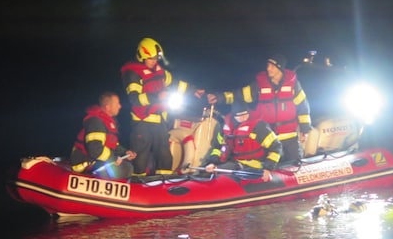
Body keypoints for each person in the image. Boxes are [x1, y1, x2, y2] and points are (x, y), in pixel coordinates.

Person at [121, 37, 205, 176]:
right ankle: (137, 182)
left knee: (164, 154)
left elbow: (176, 84)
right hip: (142, 122)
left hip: (160, 120)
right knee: (141, 156)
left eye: (156, 58)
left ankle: (163, 183)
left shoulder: (159, 70)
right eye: (151, 58)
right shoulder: (132, 73)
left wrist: (192, 90)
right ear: (141, 57)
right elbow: (134, 99)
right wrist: (157, 97)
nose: (154, 61)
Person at [207, 53, 311, 163]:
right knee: (271, 165)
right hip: (268, 136)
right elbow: (239, 95)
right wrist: (219, 97)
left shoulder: (293, 84)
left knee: (296, 164)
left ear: (279, 67)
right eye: (267, 65)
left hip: (290, 137)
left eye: (272, 66)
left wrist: (305, 128)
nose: (268, 68)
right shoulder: (260, 84)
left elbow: (303, 107)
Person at [201, 104, 282, 182]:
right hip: (235, 162)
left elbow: (276, 147)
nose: (243, 118)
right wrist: (213, 162)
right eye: (239, 116)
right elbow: (218, 147)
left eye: (245, 114)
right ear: (233, 116)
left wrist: (268, 168)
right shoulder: (226, 128)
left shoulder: (259, 127)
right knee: (208, 171)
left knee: (225, 169)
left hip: (255, 165)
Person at [70, 91, 136, 179]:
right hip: (84, 163)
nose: (120, 106)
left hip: (95, 160)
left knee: (127, 165)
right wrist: (114, 158)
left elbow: (112, 145)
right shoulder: (96, 122)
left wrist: (124, 153)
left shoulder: (106, 122)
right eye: (117, 104)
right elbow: (95, 150)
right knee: (126, 168)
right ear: (108, 107)